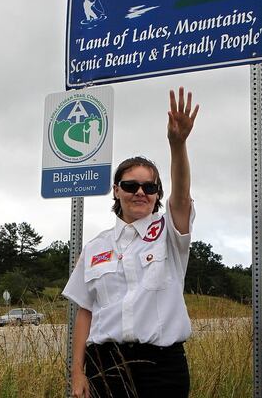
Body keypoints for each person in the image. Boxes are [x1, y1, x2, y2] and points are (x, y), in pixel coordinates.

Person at [63, 87, 199, 398]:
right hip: (105, 365)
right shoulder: (96, 247)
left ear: (157, 194)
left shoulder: (170, 233)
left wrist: (177, 145)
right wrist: (77, 372)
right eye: (131, 185)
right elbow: (85, 311)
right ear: (116, 190)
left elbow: (181, 194)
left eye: (149, 187)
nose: (140, 192)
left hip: (161, 368)